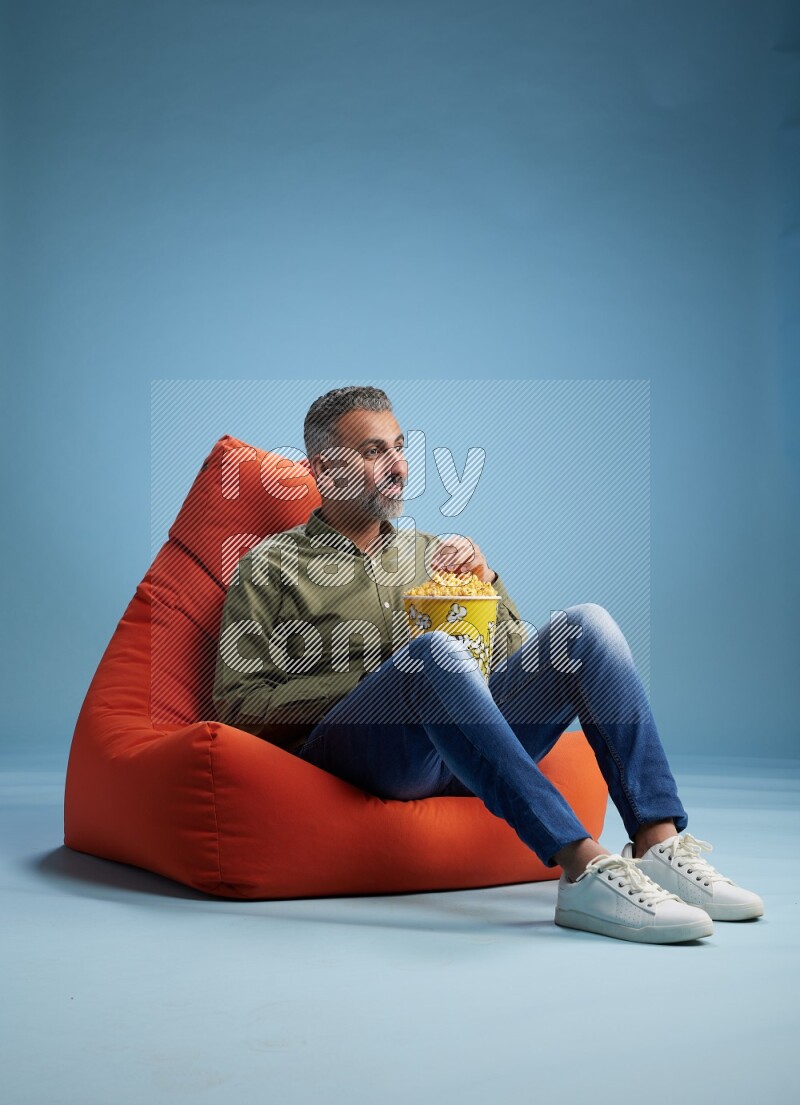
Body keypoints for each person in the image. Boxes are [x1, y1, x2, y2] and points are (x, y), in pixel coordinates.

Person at [213, 386, 764, 944]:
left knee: (586, 626)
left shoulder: (431, 553)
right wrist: (380, 678)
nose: (399, 466)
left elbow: (518, 654)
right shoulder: (271, 565)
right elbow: (237, 704)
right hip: (367, 755)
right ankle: (582, 868)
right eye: (374, 452)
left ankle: (657, 843)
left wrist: (488, 585)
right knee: (430, 654)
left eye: (400, 448)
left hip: (466, 752)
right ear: (323, 469)